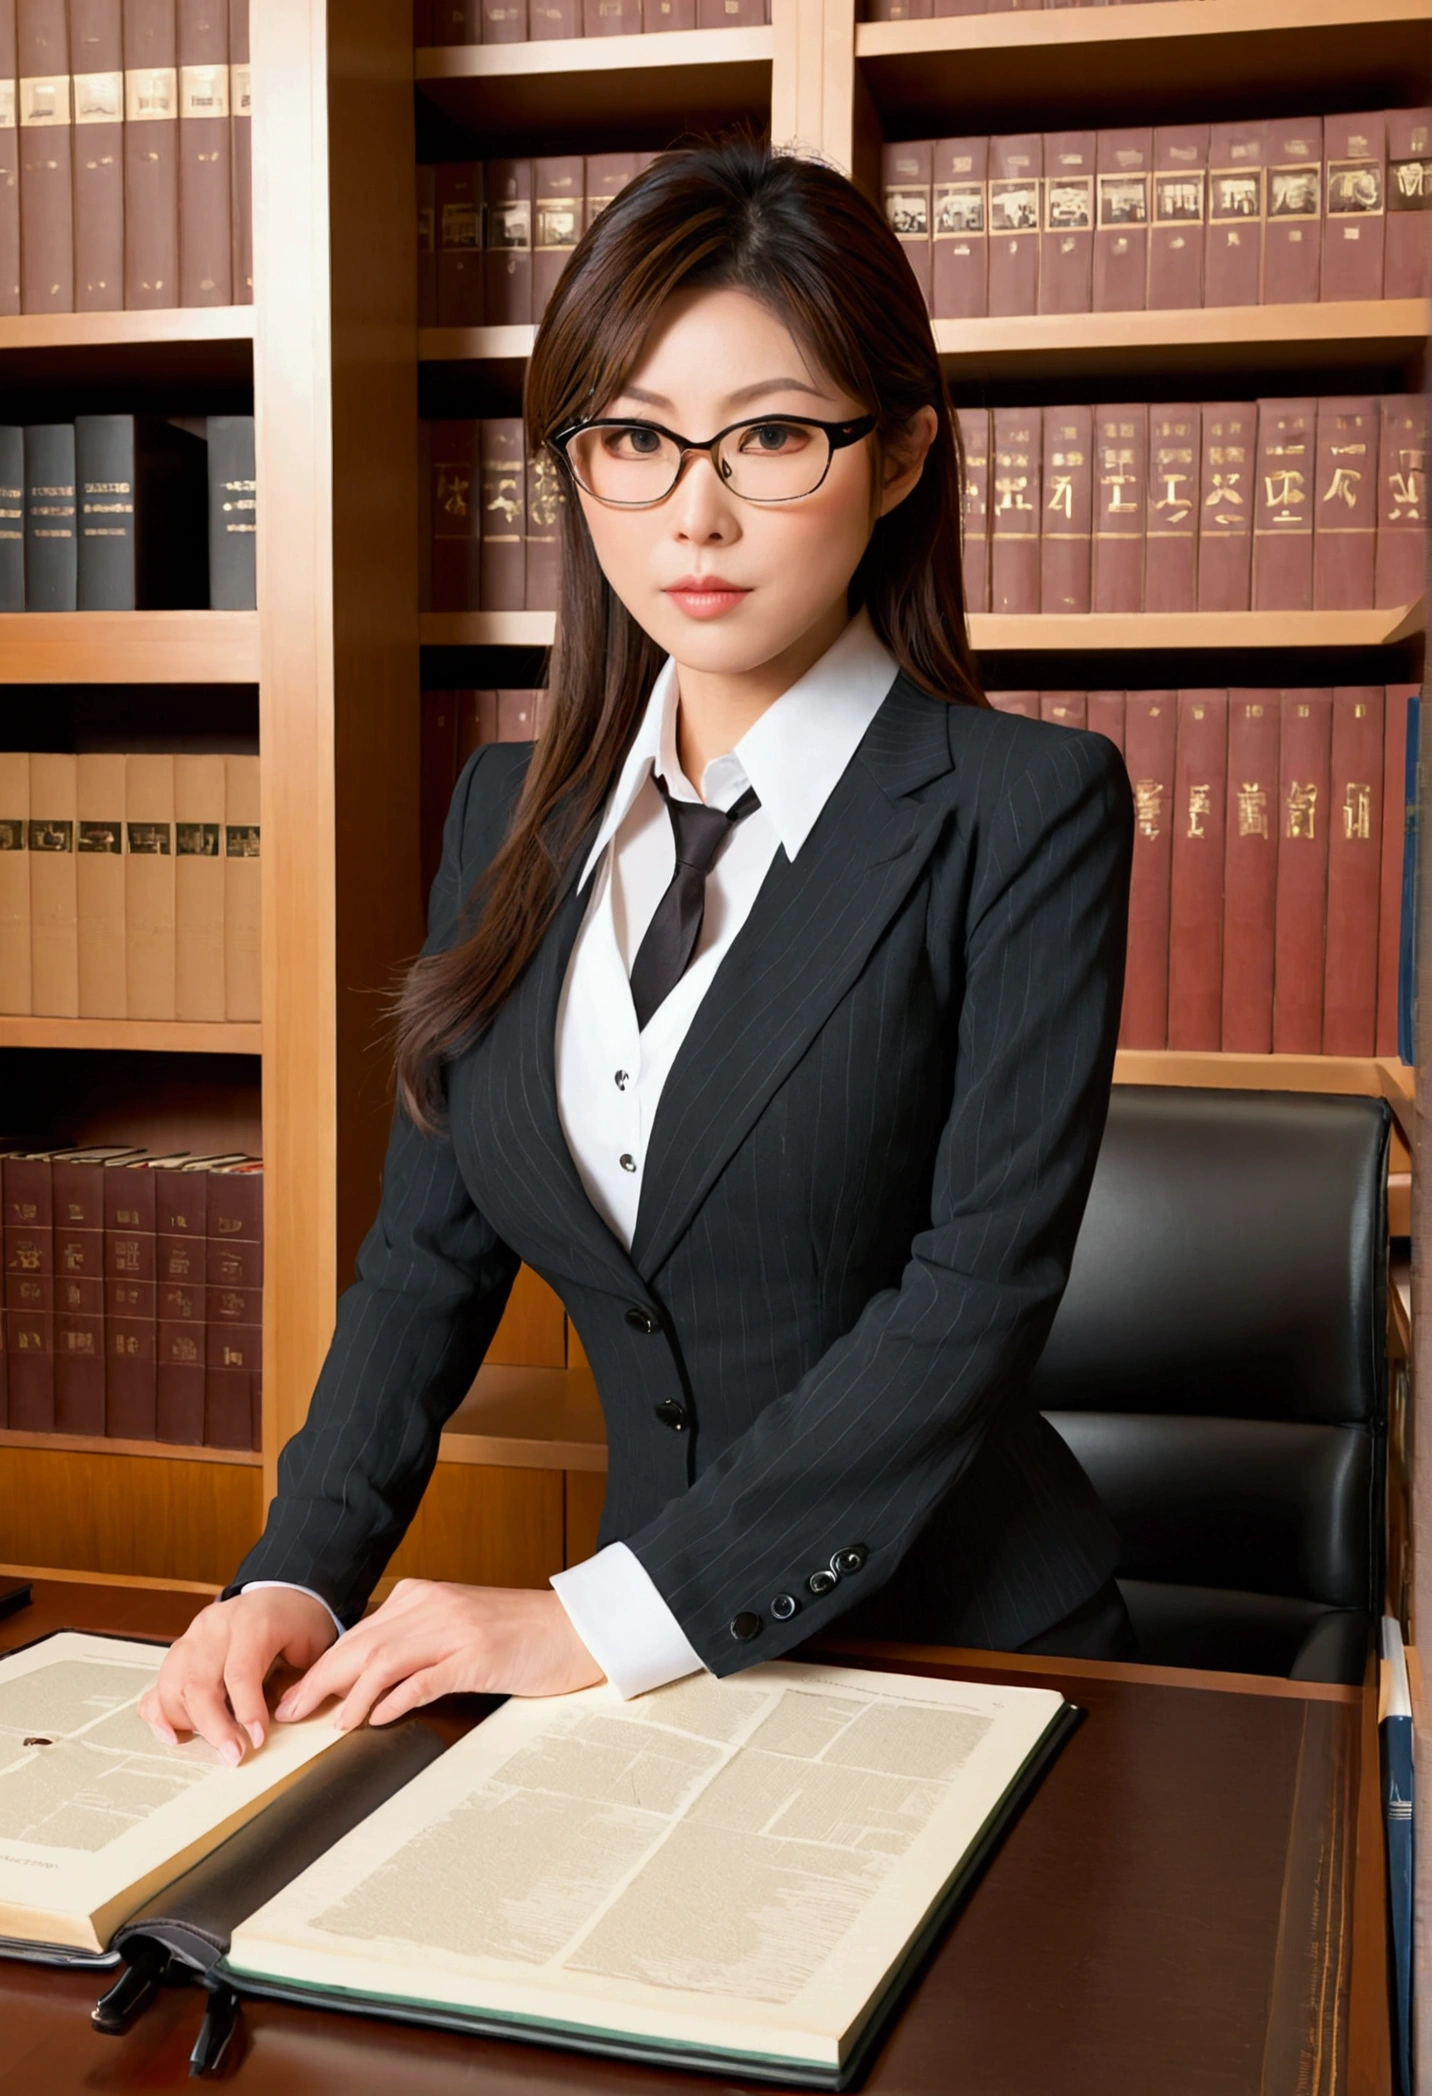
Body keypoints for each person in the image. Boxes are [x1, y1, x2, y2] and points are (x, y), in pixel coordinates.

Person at [140, 134, 1134, 1765]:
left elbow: (974, 1296)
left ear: (895, 461)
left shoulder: (1025, 810)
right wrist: (297, 1576)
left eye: (771, 437)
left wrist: (595, 1615)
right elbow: (427, 1261)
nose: (699, 512)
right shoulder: (506, 816)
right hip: (651, 1695)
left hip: (956, 1654)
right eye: (634, 442)